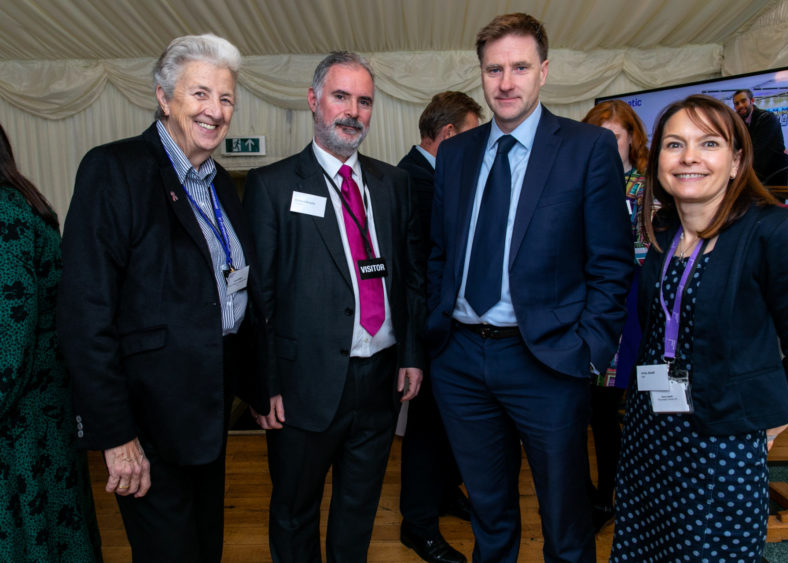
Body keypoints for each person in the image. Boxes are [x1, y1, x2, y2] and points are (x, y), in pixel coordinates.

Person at [57, 34, 274, 562]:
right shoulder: (115, 170)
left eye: (225, 99)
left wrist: (260, 388)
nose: (215, 111)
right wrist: (116, 435)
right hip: (148, 422)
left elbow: (232, 292)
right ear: (163, 96)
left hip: (209, 412)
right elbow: (84, 315)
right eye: (200, 94)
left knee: (204, 549)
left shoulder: (220, 184)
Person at [427, 12, 634, 562]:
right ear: (481, 74)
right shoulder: (456, 153)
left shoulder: (586, 148)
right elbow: (440, 252)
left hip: (547, 360)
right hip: (462, 360)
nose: (506, 82)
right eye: (494, 69)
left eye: (519, 67)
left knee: (565, 523)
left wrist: (587, 350)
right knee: (489, 516)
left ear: (544, 71)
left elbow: (612, 265)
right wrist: (437, 332)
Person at [611, 94, 788, 561]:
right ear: (659, 162)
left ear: (735, 161)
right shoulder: (664, 231)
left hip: (724, 446)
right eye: (674, 144)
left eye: (707, 143)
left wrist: (767, 428)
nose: (689, 156)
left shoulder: (774, 232)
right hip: (650, 435)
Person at [242, 51, 426, 563]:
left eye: (364, 101)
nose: (353, 111)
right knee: (295, 511)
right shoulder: (272, 186)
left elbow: (411, 278)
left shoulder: (395, 185)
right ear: (313, 100)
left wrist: (411, 354)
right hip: (303, 388)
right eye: (341, 96)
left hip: (380, 381)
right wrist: (266, 383)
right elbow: (262, 299)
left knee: (358, 508)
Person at [0, 124, 102, 562]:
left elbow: (11, 339)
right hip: (41, 410)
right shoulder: (23, 202)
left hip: (20, 419)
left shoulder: (4, 216)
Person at [397, 91, 482, 563]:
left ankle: (446, 494)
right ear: (449, 136)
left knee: (449, 424)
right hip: (429, 332)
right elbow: (421, 270)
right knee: (427, 431)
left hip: (450, 330)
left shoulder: (437, 176)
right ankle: (418, 524)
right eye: (474, 135)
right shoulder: (415, 182)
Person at [581, 99, 650, 533]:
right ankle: (594, 494)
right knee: (589, 409)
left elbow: (651, 251)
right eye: (599, 136)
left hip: (629, 310)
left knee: (616, 408)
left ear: (631, 140)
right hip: (582, 310)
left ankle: (610, 498)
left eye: (615, 136)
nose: (607, 144)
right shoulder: (581, 182)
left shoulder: (646, 188)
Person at [732, 88, 788, 185]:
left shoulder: (767, 118)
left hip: (773, 178)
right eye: (737, 104)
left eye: (743, 101)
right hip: (755, 178)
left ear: (752, 101)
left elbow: (757, 149)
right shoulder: (741, 123)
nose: (740, 106)